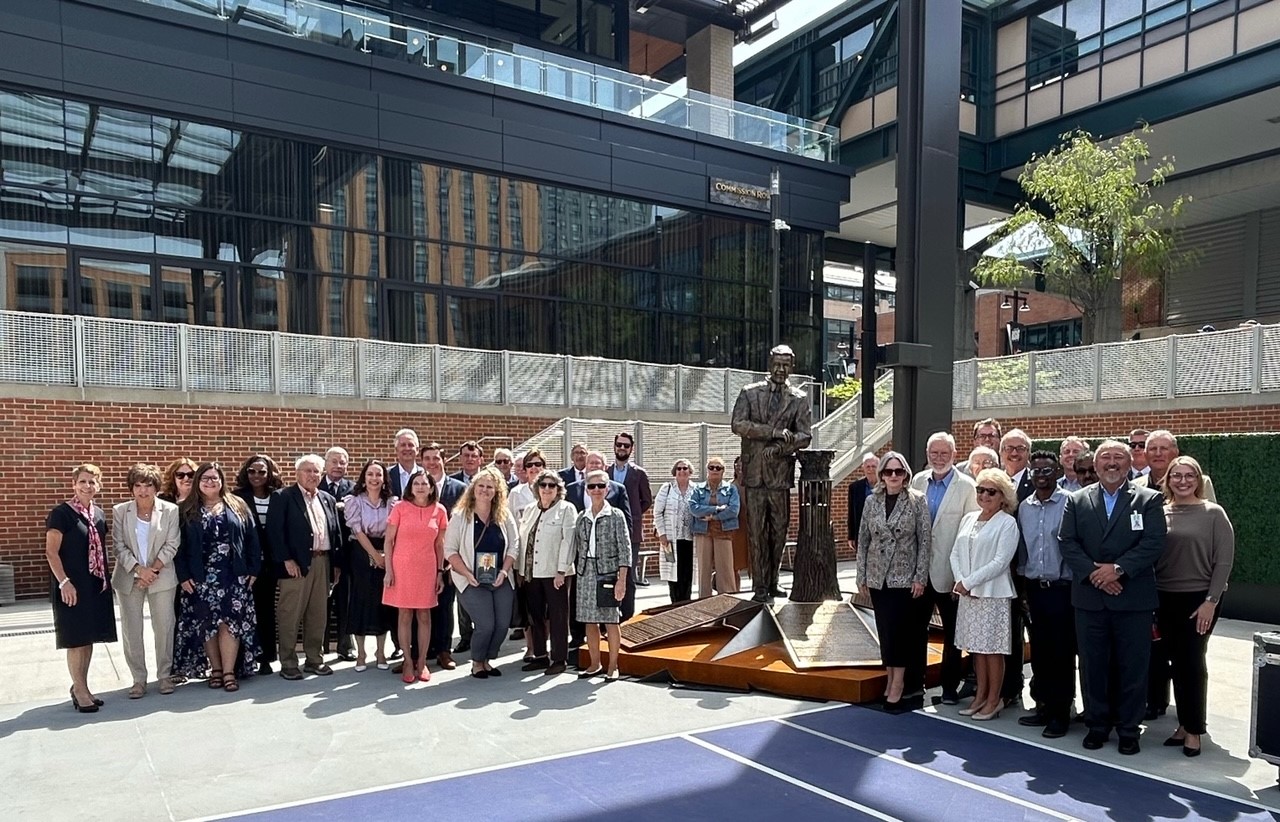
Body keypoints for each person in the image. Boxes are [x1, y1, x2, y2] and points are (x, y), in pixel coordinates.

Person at [1059, 440, 1167, 755]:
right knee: (1092, 667)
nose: (1111, 462)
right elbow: (1067, 542)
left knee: (1133, 667)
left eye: (1118, 457)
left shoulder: (1148, 500)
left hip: (1133, 599)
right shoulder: (1077, 500)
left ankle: (1129, 730)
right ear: (1095, 464)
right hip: (1091, 599)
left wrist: (1118, 570)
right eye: (1105, 457)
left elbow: (1154, 542)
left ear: (1129, 462)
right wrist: (1097, 575)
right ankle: (1097, 725)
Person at [1157, 456, 1234, 757]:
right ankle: (1184, 724)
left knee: (1191, 661)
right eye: (1177, 475)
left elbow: (1224, 561)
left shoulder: (1214, 513)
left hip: (1200, 599)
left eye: (1190, 476)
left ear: (1199, 480)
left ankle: (1194, 731)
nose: (1183, 481)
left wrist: (1210, 602)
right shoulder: (1160, 512)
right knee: (1174, 662)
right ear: (1168, 480)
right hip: (1164, 598)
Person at [731, 344, 813, 603]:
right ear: (769, 364)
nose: (781, 369)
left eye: (786, 365)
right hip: (755, 475)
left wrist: (782, 446)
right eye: (777, 363)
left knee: (779, 530)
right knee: (757, 532)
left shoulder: (799, 398)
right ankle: (759, 586)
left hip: (779, 476)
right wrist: (772, 432)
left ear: (793, 367)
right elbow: (738, 424)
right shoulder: (749, 393)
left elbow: (805, 435)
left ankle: (774, 581)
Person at [173, 462, 262, 692]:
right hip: (200, 578)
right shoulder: (186, 509)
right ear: (197, 483)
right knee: (207, 625)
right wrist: (183, 576)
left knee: (230, 625)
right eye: (205, 478)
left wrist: (253, 569)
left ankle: (230, 671)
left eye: (214, 478)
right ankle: (216, 670)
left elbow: (252, 539)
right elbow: (178, 547)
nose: (210, 482)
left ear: (222, 481)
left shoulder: (238, 505)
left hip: (234, 576)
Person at [856, 451, 931, 712]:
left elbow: (925, 541)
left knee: (900, 633)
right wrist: (861, 576)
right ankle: (888, 681)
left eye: (899, 472)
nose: (894, 476)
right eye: (888, 472)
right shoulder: (871, 502)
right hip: (878, 578)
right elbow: (863, 540)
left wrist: (920, 577)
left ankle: (898, 685)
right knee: (885, 632)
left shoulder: (916, 501)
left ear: (906, 474)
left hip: (904, 577)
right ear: (881, 475)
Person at [909, 432, 978, 705]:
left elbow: (971, 532)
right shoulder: (916, 481)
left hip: (950, 574)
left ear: (954, 454)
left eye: (944, 453)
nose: (939, 458)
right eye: (934, 453)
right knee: (916, 632)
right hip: (919, 573)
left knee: (953, 635)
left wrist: (962, 576)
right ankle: (916, 685)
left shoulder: (967, 487)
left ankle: (949, 688)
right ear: (927, 455)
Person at [47, 464, 117, 713]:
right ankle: (78, 689)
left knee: (88, 638)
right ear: (74, 484)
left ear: (99, 485)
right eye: (83, 481)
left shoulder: (98, 513)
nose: (88, 486)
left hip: (94, 586)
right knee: (76, 639)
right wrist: (64, 582)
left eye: (92, 482)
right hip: (71, 585)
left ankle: (83, 687)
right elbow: (51, 552)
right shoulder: (61, 514)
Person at [1016, 451, 1076, 739]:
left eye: (1047, 470)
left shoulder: (1070, 503)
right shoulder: (1024, 507)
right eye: (1036, 470)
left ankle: (1060, 713)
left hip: (1062, 590)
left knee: (1061, 654)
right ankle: (1043, 706)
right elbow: (1024, 551)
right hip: (1035, 591)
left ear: (1057, 473)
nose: (1041, 475)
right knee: (1040, 653)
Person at [951, 468, 1020, 721]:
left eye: (991, 491)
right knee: (976, 649)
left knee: (993, 650)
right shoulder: (968, 518)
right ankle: (979, 697)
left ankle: (994, 700)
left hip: (992, 594)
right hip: (968, 595)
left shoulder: (1007, 523)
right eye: (980, 490)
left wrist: (969, 582)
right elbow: (955, 553)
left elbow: (1001, 561)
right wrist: (961, 581)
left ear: (1003, 496)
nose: (984, 495)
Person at [268, 455, 344, 680]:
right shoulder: (283, 497)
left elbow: (335, 531)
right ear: (297, 473)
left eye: (316, 472)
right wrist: (286, 560)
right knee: (290, 614)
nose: (313, 475)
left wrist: (336, 564)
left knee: (318, 614)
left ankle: (314, 659)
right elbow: (274, 532)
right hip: (296, 564)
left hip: (323, 561)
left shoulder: (328, 499)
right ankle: (289, 662)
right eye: (308, 471)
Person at [111, 463, 181, 698]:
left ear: (156, 488)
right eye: (138, 485)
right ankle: (138, 679)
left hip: (161, 577)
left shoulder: (170, 510)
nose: (143, 491)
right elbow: (118, 546)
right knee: (132, 631)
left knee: (164, 627)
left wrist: (152, 571)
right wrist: (140, 571)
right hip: (130, 578)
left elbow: (172, 543)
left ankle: (164, 675)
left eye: (148, 485)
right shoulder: (121, 511)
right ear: (131, 489)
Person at [444, 467, 521, 678]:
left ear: (496, 491)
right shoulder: (460, 516)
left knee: (502, 624)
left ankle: (487, 660)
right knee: (485, 625)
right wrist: (467, 574)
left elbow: (514, 545)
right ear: (473, 488)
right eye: (481, 486)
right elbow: (450, 550)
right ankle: (477, 662)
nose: (485, 490)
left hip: (499, 577)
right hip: (470, 578)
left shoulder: (504, 516)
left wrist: (504, 572)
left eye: (490, 487)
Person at [384, 470, 448, 683]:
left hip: (427, 569)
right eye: (416, 483)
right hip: (401, 568)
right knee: (404, 615)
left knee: (424, 615)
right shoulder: (400, 508)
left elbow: (440, 545)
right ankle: (408, 662)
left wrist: (440, 572)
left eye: (425, 483)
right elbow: (389, 541)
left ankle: (422, 663)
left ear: (431, 487)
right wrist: (389, 571)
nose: (420, 487)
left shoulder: (439, 510)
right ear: (410, 487)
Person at [516, 468, 579, 675]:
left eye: (552, 485)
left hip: (555, 574)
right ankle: (541, 655)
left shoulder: (566, 509)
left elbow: (568, 541)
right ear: (537, 488)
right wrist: (520, 570)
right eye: (543, 485)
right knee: (535, 616)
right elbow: (523, 540)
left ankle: (559, 658)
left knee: (558, 616)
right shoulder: (530, 509)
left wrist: (562, 570)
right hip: (531, 573)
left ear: (558, 489)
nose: (547, 489)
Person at [572, 469, 632, 681]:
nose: (596, 490)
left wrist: (621, 580)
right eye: (592, 486)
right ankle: (594, 663)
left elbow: (625, 550)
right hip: (585, 573)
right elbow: (576, 548)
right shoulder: (581, 517)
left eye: (600, 486)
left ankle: (613, 666)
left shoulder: (616, 515)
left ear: (607, 489)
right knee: (590, 621)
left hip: (608, 574)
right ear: (586, 490)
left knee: (611, 621)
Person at [233, 454, 284, 675]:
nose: (256, 476)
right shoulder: (237, 498)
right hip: (246, 565)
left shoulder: (278, 497)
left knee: (266, 611)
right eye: (252, 471)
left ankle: (266, 658)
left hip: (271, 565)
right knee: (244, 612)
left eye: (262, 471)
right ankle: (243, 658)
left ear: (270, 474)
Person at [344, 459, 397, 672]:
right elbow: (357, 531)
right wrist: (375, 555)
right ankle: (362, 653)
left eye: (378, 475)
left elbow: (392, 531)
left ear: (384, 480)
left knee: (382, 602)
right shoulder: (354, 501)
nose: (374, 479)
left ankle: (381, 652)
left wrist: (384, 556)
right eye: (370, 475)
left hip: (386, 549)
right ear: (364, 479)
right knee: (360, 601)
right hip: (361, 552)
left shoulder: (393, 502)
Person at [419, 441, 467, 665]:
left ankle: (443, 650)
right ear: (421, 462)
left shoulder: (458, 489)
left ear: (443, 460)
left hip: (449, 557)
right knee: (419, 604)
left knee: (445, 605)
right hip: (420, 556)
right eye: (427, 458)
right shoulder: (415, 487)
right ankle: (420, 651)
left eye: (435, 458)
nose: (431, 463)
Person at [609, 431, 652, 610]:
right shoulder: (606, 472)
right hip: (609, 530)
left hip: (631, 532)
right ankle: (610, 613)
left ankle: (627, 615)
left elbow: (647, 500)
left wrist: (632, 515)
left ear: (631, 449)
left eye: (626, 445)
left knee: (628, 575)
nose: (622, 448)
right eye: (619, 444)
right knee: (610, 574)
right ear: (614, 447)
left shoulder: (639, 473)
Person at [319, 446, 355, 662]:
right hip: (321, 555)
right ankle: (319, 649)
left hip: (347, 556)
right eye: (334, 461)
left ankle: (345, 645)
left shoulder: (353, 488)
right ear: (325, 464)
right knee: (319, 606)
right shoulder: (316, 485)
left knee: (345, 603)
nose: (338, 466)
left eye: (342, 462)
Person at [690, 456, 740, 599]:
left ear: (723, 471)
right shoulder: (698, 489)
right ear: (707, 470)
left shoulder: (731, 489)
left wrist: (714, 517)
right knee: (704, 569)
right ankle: (704, 600)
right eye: (711, 467)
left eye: (718, 468)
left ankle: (727, 600)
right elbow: (694, 508)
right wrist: (718, 508)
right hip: (703, 531)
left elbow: (733, 510)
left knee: (725, 569)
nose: (714, 470)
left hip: (723, 531)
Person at [654, 459, 696, 602]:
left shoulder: (696, 489)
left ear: (690, 471)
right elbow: (657, 513)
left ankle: (686, 602)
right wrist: (662, 534)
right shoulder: (667, 488)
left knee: (687, 572)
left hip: (690, 538)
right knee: (673, 572)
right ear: (675, 471)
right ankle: (675, 603)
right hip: (671, 539)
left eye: (685, 468)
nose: (682, 471)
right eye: (679, 469)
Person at [846, 453, 879, 558]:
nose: (871, 469)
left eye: (874, 466)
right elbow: (851, 513)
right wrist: (851, 536)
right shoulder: (855, 487)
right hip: (862, 532)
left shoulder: (886, 486)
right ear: (863, 468)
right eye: (868, 467)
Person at [388, 429, 421, 498]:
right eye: (403, 445)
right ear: (396, 450)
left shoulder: (425, 475)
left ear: (417, 450)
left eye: (410, 445)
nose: (407, 448)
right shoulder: (387, 475)